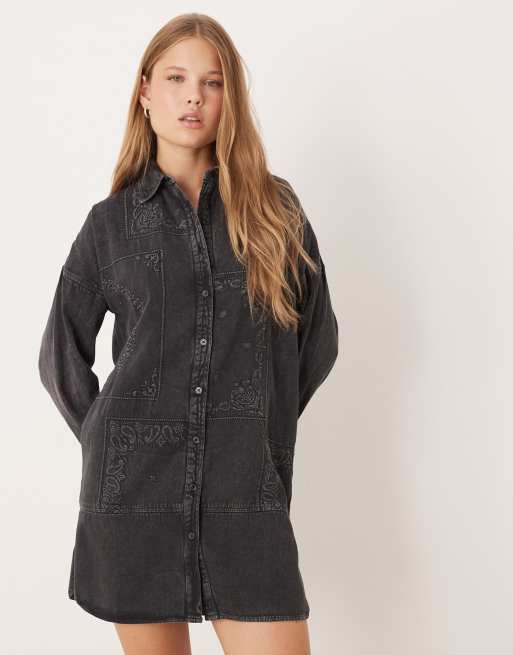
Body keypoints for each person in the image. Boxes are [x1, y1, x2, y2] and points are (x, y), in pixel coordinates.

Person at [38, 12, 339, 655]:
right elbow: (59, 355)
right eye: (176, 78)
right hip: (134, 504)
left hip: (245, 500)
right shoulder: (111, 225)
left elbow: (316, 342)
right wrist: (112, 444)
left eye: (213, 81)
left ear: (231, 98)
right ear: (146, 92)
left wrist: (254, 425)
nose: (193, 97)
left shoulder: (275, 210)